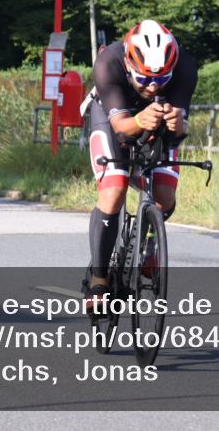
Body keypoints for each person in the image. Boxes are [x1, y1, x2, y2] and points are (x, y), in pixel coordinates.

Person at [84, 20, 197, 308]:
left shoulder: (185, 66)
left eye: (161, 80)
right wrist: (137, 120)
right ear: (128, 64)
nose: (153, 86)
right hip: (112, 116)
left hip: (157, 119)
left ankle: (147, 242)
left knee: (164, 197)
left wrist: (179, 122)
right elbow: (121, 127)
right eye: (145, 79)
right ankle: (99, 279)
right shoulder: (108, 61)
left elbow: (179, 132)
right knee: (114, 188)